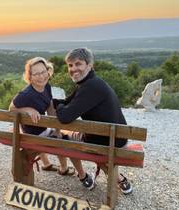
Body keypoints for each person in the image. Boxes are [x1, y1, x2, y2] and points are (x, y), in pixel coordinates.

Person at [54, 47, 133, 194]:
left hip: (105, 143)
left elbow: (65, 117)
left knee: (65, 139)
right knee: (75, 134)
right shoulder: (92, 83)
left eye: (78, 64)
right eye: (70, 65)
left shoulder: (89, 87)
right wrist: (55, 102)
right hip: (117, 138)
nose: (73, 69)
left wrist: (58, 106)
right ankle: (121, 180)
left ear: (89, 65)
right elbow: (67, 101)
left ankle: (83, 177)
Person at [9, 57, 95, 190]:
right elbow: (11, 109)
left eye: (44, 72)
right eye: (36, 74)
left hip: (42, 129)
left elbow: (49, 106)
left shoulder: (46, 87)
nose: (41, 76)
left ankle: (54, 166)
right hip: (32, 136)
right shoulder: (26, 94)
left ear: (48, 71)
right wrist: (28, 109)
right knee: (67, 143)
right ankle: (81, 175)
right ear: (30, 76)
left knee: (59, 136)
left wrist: (57, 129)